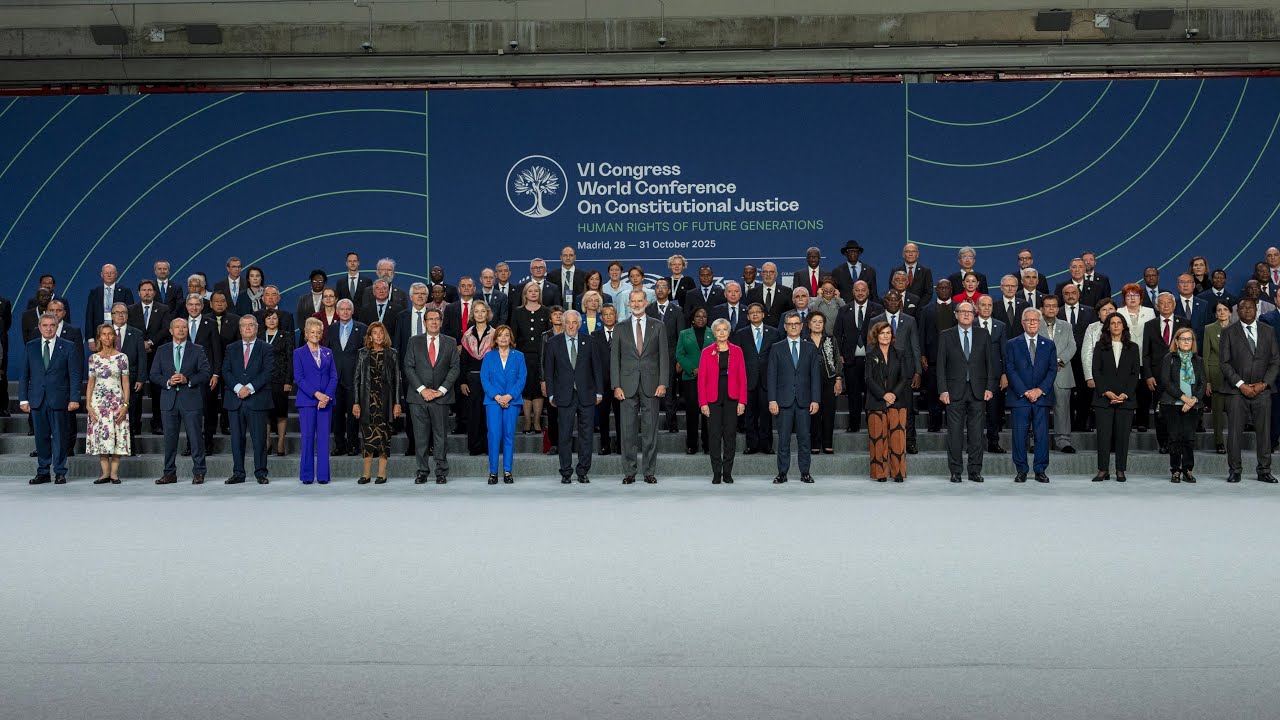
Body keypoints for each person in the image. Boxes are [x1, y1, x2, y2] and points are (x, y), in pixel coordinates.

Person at [611, 289, 670, 484]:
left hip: (652, 385)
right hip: (626, 386)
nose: (636, 304)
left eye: (640, 301)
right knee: (627, 431)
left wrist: (663, 382)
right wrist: (616, 385)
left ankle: (649, 472)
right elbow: (615, 359)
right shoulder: (620, 327)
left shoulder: (658, 326)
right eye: (633, 301)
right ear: (628, 304)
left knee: (650, 431)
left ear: (646, 302)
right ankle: (629, 472)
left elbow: (664, 356)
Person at [1218, 297, 1279, 484]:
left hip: (1263, 390)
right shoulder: (1229, 332)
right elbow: (1224, 363)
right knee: (1235, 433)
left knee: (1264, 433)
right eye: (1243, 308)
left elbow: (1275, 361)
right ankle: (1235, 470)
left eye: (1250, 307)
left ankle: (1264, 470)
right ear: (1237, 311)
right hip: (1236, 391)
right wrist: (1241, 384)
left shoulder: (1268, 331)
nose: (1247, 310)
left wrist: (1264, 383)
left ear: (1256, 310)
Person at [936, 302, 997, 483]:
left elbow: (990, 363)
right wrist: (943, 390)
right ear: (956, 315)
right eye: (962, 311)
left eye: (969, 312)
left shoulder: (983, 334)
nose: (966, 314)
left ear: (974, 314)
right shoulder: (946, 335)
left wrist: (989, 387)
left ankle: (975, 471)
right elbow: (940, 366)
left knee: (977, 434)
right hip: (954, 392)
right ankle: (955, 471)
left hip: (978, 391)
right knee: (954, 434)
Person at [543, 310, 601, 483]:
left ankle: (583, 471)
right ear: (562, 322)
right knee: (564, 435)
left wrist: (599, 392)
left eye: (574, 322)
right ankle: (566, 472)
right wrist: (551, 394)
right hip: (563, 395)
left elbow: (596, 368)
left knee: (586, 435)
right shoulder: (553, 343)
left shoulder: (590, 342)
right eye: (567, 322)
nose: (570, 325)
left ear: (579, 324)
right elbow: (549, 371)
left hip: (587, 395)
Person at [151, 317, 210, 485]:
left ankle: (199, 472)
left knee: (196, 438)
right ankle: (169, 473)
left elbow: (205, 373)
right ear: (171, 331)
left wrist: (187, 379)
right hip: (169, 401)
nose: (181, 330)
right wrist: (168, 381)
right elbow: (154, 374)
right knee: (169, 439)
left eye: (184, 327)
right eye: (177, 327)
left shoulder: (197, 350)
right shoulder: (162, 350)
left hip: (190, 400)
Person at [404, 308, 460, 484]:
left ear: (441, 322)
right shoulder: (414, 342)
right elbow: (409, 367)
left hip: (441, 397)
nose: (434, 322)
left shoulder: (450, 342)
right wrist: (422, 389)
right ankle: (422, 471)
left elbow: (455, 368)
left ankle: (441, 472)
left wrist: (442, 390)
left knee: (440, 437)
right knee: (420, 437)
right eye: (430, 319)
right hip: (418, 397)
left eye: (437, 319)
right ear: (425, 322)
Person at [767, 311, 821, 484]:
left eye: (796, 323)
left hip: (805, 401)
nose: (793, 326)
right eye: (790, 324)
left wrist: (815, 399)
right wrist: (772, 399)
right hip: (783, 401)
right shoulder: (776, 347)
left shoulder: (810, 348)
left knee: (804, 439)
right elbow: (771, 376)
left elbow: (815, 376)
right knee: (783, 440)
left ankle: (805, 472)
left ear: (802, 326)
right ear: (785, 326)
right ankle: (782, 473)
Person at [1006, 308, 1057, 483]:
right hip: (1020, 397)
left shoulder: (1049, 344)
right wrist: (1025, 391)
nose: (1032, 323)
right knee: (1020, 435)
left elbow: (1052, 370)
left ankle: (1040, 470)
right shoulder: (1012, 343)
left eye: (1035, 320)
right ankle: (1021, 470)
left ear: (1040, 322)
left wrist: (1039, 390)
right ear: (1023, 323)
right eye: (1028, 320)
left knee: (1041, 435)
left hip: (1041, 397)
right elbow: (1010, 369)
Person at [222, 315, 273, 485]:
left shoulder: (266, 348)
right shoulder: (231, 348)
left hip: (256, 399)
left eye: (251, 325)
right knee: (236, 439)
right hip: (235, 399)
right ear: (240, 329)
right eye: (244, 326)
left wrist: (249, 388)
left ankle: (260, 473)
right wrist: (238, 388)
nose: (248, 328)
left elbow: (267, 372)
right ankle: (238, 473)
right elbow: (226, 371)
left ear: (257, 328)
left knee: (259, 439)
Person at [1091, 311, 1141, 482]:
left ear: (1124, 326)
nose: (1116, 326)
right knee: (1104, 436)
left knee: (1122, 437)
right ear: (1107, 327)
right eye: (1112, 323)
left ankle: (1120, 469)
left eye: (1119, 322)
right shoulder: (1100, 346)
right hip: (1103, 399)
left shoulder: (1133, 347)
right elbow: (1096, 371)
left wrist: (1125, 394)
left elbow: (1135, 373)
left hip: (1125, 399)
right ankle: (1103, 469)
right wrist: (1105, 391)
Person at [698, 318, 746, 484]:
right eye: (718, 330)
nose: (722, 333)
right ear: (714, 332)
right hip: (712, 398)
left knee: (730, 435)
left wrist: (742, 401)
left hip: (732, 397)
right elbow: (702, 379)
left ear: (729, 331)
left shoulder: (738, 351)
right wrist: (703, 403)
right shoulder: (706, 352)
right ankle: (716, 472)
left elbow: (742, 377)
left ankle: (727, 472)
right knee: (714, 435)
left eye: (725, 329)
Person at [352, 321, 401, 484]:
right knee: (367, 440)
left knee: (383, 440)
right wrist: (356, 402)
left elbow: (397, 381)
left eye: (381, 332)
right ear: (370, 336)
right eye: (375, 333)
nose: (378, 335)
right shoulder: (362, 353)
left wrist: (397, 403)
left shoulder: (392, 353)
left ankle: (382, 474)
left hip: (385, 403)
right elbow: (357, 379)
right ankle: (366, 474)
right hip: (367, 403)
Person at [1142, 293, 1190, 454]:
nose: (1166, 305)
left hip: (1180, 376)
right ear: (1157, 307)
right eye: (1161, 303)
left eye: (1169, 302)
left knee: (1179, 411)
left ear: (1174, 304)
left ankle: (1178, 442)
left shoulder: (1184, 323)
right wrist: (1148, 375)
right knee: (1161, 412)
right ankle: (1164, 443)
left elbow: (1190, 350)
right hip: (1157, 377)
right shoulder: (1150, 325)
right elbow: (1146, 353)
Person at [864, 320, 911, 482]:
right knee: (878, 439)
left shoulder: (900, 353)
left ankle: (898, 473)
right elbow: (868, 379)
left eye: (888, 333)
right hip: (876, 402)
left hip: (897, 402)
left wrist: (892, 395)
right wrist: (884, 395)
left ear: (892, 336)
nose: (885, 336)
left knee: (898, 439)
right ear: (876, 336)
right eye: (882, 333)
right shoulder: (870, 355)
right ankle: (880, 473)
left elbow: (904, 378)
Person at [293, 317, 338, 485]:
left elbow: (334, 376)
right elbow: (299, 378)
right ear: (306, 334)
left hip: (326, 402)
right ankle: (306, 475)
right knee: (307, 438)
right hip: (307, 401)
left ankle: (323, 476)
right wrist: (317, 395)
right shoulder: (298, 353)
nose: (315, 335)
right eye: (312, 332)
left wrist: (326, 396)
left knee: (324, 439)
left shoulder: (328, 352)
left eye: (318, 332)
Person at [85, 323, 131, 483]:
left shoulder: (122, 357)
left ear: (114, 336)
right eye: (104, 334)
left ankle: (114, 474)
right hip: (98, 403)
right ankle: (104, 473)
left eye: (110, 334)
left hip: (117, 402)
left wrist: (125, 405)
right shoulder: (93, 358)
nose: (107, 337)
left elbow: (125, 383)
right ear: (99, 337)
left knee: (117, 436)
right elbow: (91, 383)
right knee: (101, 438)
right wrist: (88, 405)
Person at [480, 325, 525, 484]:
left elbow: (521, 379)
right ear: (496, 339)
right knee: (493, 436)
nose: (504, 338)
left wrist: (509, 396)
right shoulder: (489, 356)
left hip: (512, 402)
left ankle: (507, 471)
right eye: (500, 336)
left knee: (508, 436)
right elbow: (485, 379)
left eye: (507, 335)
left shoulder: (519, 356)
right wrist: (498, 397)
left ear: (510, 338)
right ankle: (493, 472)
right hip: (493, 402)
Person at [1160, 328, 1206, 483]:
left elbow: (1202, 383)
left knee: (1189, 438)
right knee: (1174, 438)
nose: (1186, 342)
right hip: (1172, 404)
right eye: (1183, 339)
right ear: (1177, 341)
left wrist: (1192, 400)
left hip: (1193, 405)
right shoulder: (1169, 358)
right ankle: (1176, 470)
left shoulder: (1198, 360)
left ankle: (1187, 470)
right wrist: (1184, 398)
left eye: (1189, 339)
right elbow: (1166, 382)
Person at [326, 299, 367, 457]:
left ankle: (353, 445)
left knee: (353, 414)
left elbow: (365, 353)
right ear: (337, 311)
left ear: (352, 311)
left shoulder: (362, 328)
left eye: (348, 309)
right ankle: (339, 445)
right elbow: (327, 352)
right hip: (334, 379)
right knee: (336, 414)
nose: (344, 312)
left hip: (354, 379)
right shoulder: (331, 329)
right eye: (342, 309)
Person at [1039, 295, 1077, 454]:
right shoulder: (1034, 323)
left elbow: (1072, 346)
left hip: (1062, 372)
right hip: (1040, 374)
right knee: (1039, 409)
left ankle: (1063, 441)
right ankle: (1038, 440)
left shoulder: (1066, 326)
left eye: (1054, 306)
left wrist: (1059, 360)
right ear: (1042, 309)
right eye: (1048, 306)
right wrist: (1048, 363)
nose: (1051, 309)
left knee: (1062, 408)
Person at [512, 282, 550, 434]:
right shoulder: (518, 312)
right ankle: (527, 420)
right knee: (526, 388)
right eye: (530, 291)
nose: (533, 293)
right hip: (523, 356)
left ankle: (537, 420)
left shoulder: (546, 311)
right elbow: (513, 335)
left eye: (536, 291)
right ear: (525, 294)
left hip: (541, 356)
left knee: (539, 389)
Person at [459, 300, 496, 456]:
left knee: (489, 414)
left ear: (487, 314)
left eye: (483, 311)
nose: (480, 314)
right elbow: (463, 362)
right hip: (472, 380)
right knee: (474, 414)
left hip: (491, 380)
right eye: (476, 311)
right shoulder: (467, 335)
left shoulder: (495, 334)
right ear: (473, 315)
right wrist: (462, 381)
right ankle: (474, 446)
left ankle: (489, 446)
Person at [1119, 282, 1156, 431]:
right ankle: (1126, 422)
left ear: (1141, 297)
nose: (1132, 298)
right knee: (1127, 389)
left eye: (1135, 295)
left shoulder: (1149, 312)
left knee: (1144, 391)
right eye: (1129, 295)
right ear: (1124, 298)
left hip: (1145, 357)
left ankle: (1142, 421)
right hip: (1125, 358)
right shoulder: (1119, 312)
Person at [675, 306, 712, 454]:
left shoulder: (713, 332)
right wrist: (693, 369)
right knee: (691, 412)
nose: (701, 318)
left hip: (709, 378)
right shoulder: (684, 334)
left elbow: (717, 352)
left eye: (704, 316)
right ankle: (692, 444)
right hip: (690, 377)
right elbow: (680, 354)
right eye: (698, 316)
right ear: (692, 319)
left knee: (707, 412)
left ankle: (708, 444)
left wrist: (705, 370)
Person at [805, 312, 843, 454]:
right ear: (808, 324)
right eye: (814, 321)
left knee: (828, 413)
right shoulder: (804, 340)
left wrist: (838, 379)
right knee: (813, 413)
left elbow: (837, 359)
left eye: (820, 322)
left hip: (829, 379)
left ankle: (827, 443)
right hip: (809, 382)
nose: (817, 324)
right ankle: (815, 443)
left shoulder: (830, 339)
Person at [262, 309, 294, 456]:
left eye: (274, 318)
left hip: (281, 381)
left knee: (281, 412)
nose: (272, 321)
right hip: (263, 381)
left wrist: (288, 381)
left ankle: (281, 442)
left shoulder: (285, 336)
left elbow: (290, 359)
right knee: (266, 412)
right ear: (264, 321)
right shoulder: (259, 336)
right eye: (269, 318)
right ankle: (267, 442)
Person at [1202, 302, 1232, 454]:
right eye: (1219, 310)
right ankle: (1219, 442)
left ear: (1230, 313)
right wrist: (1207, 380)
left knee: (1235, 412)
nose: (1222, 312)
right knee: (1217, 413)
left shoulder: (1237, 328)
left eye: (1225, 310)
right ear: (1215, 314)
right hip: (1216, 375)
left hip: (1234, 376)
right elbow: (1206, 356)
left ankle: (1234, 443)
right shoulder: (1209, 329)